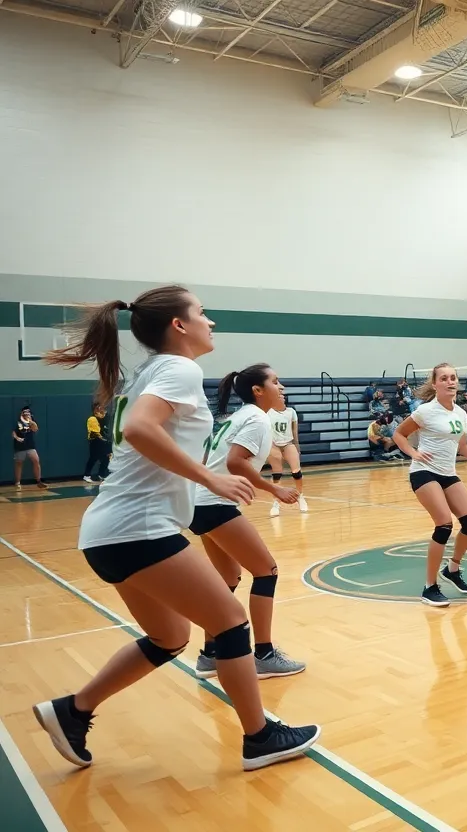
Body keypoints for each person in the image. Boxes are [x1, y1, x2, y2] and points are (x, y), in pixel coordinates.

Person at [37, 285, 318, 772]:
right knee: (230, 621)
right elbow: (139, 429)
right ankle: (259, 737)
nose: (212, 322)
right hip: (138, 528)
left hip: (108, 531)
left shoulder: (149, 371)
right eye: (203, 313)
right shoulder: (179, 369)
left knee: (168, 637)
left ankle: (73, 711)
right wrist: (210, 478)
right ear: (179, 325)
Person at [191, 364, 307, 680]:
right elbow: (234, 461)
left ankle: (210, 655)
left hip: (201, 504)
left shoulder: (238, 417)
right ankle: (265, 655)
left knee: (227, 578)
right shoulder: (257, 418)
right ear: (258, 390)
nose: (282, 387)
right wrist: (274, 489)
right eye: (275, 382)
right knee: (266, 571)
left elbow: (212, 459)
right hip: (215, 505)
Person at [392, 363, 467, 607]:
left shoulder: (461, 413)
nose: (450, 381)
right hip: (424, 472)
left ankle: (452, 569)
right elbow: (399, 434)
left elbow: (463, 447)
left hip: (447, 473)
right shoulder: (425, 411)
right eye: (444, 378)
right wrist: (413, 453)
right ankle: (429, 587)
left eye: (453, 377)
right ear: (435, 384)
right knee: (444, 524)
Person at [267, 398, 308, 517]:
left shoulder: (291, 412)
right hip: (274, 444)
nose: (282, 398)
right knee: (277, 474)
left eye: (283, 397)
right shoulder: (268, 412)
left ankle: (300, 496)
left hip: (288, 443)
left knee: (296, 472)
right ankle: (276, 503)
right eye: (279, 396)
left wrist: (297, 446)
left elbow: (294, 431)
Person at [13, 405, 47, 490]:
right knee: (19, 463)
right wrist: (17, 438)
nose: (27, 413)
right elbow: (13, 432)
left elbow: (35, 429)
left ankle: (38, 481)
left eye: (28, 412)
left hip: (30, 445)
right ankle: (17, 482)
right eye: (25, 412)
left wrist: (30, 421)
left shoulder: (31, 421)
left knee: (36, 460)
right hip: (20, 446)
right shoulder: (18, 421)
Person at [83, 403, 112, 483]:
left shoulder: (105, 417)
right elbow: (95, 433)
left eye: (102, 407)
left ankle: (101, 475)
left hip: (104, 440)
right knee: (93, 458)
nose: (101, 409)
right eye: (98, 407)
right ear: (95, 409)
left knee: (106, 457)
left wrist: (106, 439)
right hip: (95, 440)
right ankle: (87, 475)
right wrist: (102, 439)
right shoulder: (92, 419)